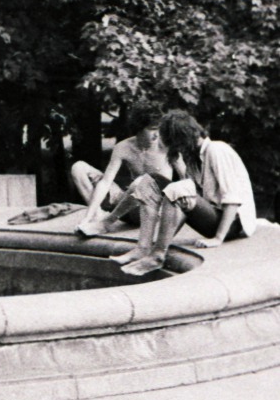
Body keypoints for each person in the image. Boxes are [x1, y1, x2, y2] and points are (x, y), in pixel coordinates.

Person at [116, 110, 257, 276]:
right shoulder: (193, 157)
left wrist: (217, 239)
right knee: (150, 180)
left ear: (182, 138)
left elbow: (232, 199)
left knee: (175, 189)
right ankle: (143, 248)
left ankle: (157, 256)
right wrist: (164, 236)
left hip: (232, 224)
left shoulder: (217, 150)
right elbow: (187, 199)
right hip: (211, 216)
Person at [72, 105, 169, 236]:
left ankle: (104, 223)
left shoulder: (167, 146)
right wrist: (87, 216)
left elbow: (186, 178)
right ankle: (97, 216)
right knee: (78, 167)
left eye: (159, 129)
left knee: (142, 181)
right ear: (139, 128)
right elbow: (106, 182)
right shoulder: (123, 147)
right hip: (128, 203)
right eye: (152, 129)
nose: (156, 135)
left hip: (154, 208)